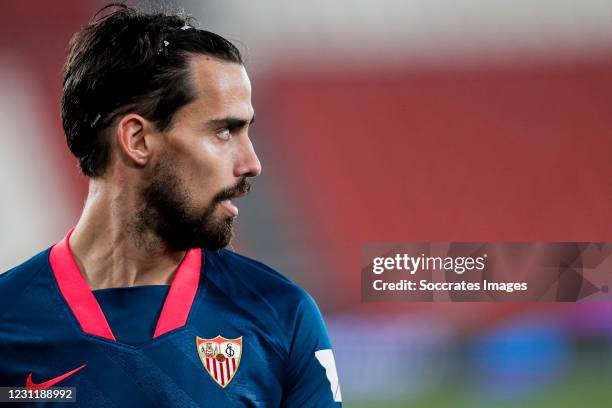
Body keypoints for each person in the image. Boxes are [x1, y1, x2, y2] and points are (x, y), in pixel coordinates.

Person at [0, 4, 341, 407]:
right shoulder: (8, 321)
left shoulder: (283, 316)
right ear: (138, 140)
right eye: (224, 131)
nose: (252, 164)